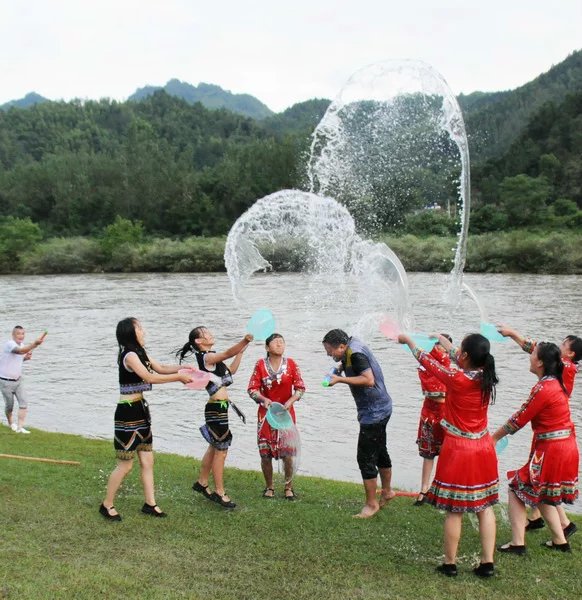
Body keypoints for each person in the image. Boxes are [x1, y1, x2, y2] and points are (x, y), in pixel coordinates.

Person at [398, 332, 499, 578]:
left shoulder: (457, 378)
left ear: (465, 356)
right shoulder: (486, 375)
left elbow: (428, 362)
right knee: (484, 507)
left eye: (459, 351)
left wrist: (410, 342)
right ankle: (487, 563)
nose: (456, 353)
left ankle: (450, 564)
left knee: (455, 509)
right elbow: (455, 354)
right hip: (483, 447)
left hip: (459, 448)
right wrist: (438, 338)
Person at [100, 318, 193, 521]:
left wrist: (181, 368)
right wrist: (178, 378)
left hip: (140, 409)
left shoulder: (140, 353)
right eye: (139, 328)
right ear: (130, 333)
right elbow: (150, 378)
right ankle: (106, 505)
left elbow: (159, 368)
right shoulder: (130, 355)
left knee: (147, 460)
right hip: (127, 412)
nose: (144, 331)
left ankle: (150, 504)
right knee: (125, 464)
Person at [493, 341, 579, 554]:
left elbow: (519, 419)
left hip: (552, 448)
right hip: (564, 445)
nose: (530, 357)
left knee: (516, 488)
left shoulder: (544, 388)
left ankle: (517, 543)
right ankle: (560, 540)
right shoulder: (557, 381)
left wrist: (493, 438)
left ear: (540, 362)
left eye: (534, 355)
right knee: (541, 492)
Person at [322, 329, 395, 518]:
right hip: (383, 407)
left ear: (341, 346)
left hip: (374, 412)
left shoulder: (355, 354)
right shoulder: (351, 345)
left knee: (365, 457)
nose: (328, 354)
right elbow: (349, 362)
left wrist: (339, 379)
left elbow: (368, 380)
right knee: (380, 450)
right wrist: (339, 368)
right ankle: (387, 491)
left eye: (330, 350)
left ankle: (371, 505)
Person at [177, 326, 252, 509]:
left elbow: (231, 370)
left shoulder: (213, 358)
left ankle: (202, 482)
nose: (211, 334)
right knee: (221, 450)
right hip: (216, 409)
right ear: (199, 342)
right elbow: (227, 353)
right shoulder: (206, 357)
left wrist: (241, 352)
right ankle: (220, 492)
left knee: (214, 446)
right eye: (206, 334)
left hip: (220, 408)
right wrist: (245, 340)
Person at [247, 333, 306, 500]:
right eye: (276, 342)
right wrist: (264, 399)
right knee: (265, 454)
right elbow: (252, 389)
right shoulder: (260, 365)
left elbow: (300, 388)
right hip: (266, 415)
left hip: (286, 414)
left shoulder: (292, 364)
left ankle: (288, 487)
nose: (280, 344)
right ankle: (269, 487)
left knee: (288, 453)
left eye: (282, 342)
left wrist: (291, 401)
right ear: (267, 348)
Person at [414, 334, 452, 506]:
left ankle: (441, 490)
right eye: (438, 345)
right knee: (429, 454)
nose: (440, 349)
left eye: (443, 346)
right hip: (432, 415)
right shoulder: (427, 366)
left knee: (446, 454)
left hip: (446, 416)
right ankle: (424, 489)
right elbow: (437, 396)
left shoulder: (449, 367)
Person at [0, 326, 46, 433]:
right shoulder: (10, 344)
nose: (21, 336)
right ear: (13, 335)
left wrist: (25, 358)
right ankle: (11, 423)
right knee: (9, 406)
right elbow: (20, 352)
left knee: (23, 403)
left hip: (18, 380)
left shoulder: (22, 345)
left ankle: (20, 428)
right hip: (5, 381)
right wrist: (34, 344)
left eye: (23, 334)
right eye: (19, 334)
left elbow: (19, 358)